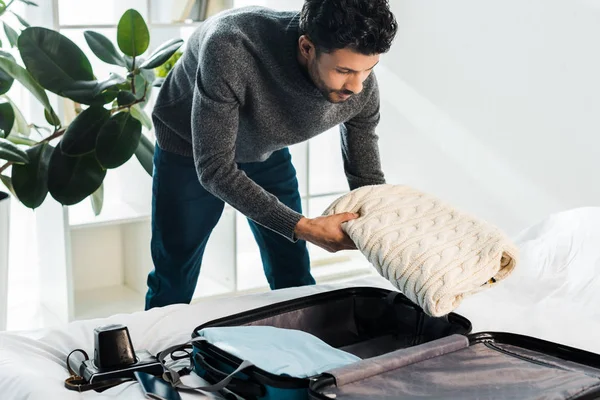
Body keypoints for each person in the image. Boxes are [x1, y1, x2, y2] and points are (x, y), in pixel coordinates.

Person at [145, 0, 398, 310]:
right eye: (343, 71)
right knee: (175, 268)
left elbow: (366, 178)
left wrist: (387, 227)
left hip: (264, 149)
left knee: (292, 267)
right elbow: (214, 168)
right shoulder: (230, 46)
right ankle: (149, 355)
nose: (357, 86)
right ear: (307, 48)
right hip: (190, 147)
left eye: (367, 70)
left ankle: (305, 351)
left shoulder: (362, 88)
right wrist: (306, 227)